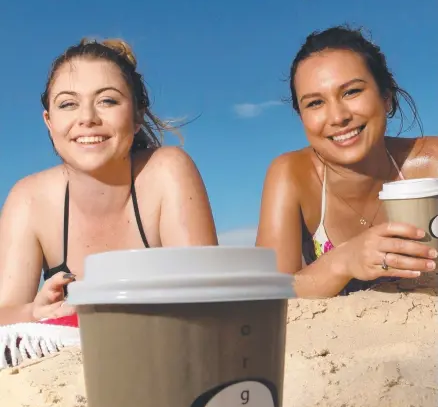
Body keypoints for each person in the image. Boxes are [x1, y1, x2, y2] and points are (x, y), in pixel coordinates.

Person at [0, 38, 218, 324]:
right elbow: (5, 312)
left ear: (137, 115)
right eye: (68, 104)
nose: (87, 118)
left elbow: (207, 297)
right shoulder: (29, 199)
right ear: (49, 122)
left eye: (107, 101)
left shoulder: (167, 171)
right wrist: (35, 312)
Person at [256, 25, 438, 298]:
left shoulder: (431, 164)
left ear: (385, 97)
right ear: (302, 117)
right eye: (315, 103)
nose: (338, 116)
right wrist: (345, 260)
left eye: (351, 92)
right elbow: (266, 293)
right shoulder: (292, 177)